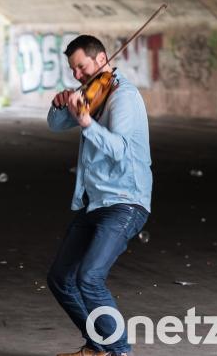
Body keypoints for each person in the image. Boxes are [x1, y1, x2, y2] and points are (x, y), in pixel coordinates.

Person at [46, 35, 152, 356]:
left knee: (89, 278)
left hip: (125, 202)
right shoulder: (88, 93)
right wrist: (60, 103)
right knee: (60, 278)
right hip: (95, 202)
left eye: (81, 66)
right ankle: (98, 345)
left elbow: (120, 149)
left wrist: (87, 123)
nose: (77, 75)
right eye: (73, 69)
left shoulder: (124, 97)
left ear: (102, 59)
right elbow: (54, 124)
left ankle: (120, 350)